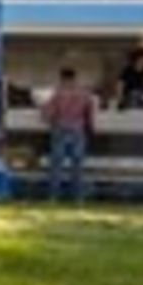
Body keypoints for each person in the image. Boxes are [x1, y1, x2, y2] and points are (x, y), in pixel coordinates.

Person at [41, 67, 95, 203]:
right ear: (75, 78)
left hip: (60, 128)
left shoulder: (58, 93)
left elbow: (48, 114)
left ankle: (53, 197)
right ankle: (78, 197)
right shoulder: (84, 93)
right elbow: (90, 113)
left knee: (57, 165)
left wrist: (46, 117)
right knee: (77, 165)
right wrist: (91, 127)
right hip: (78, 129)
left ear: (62, 78)